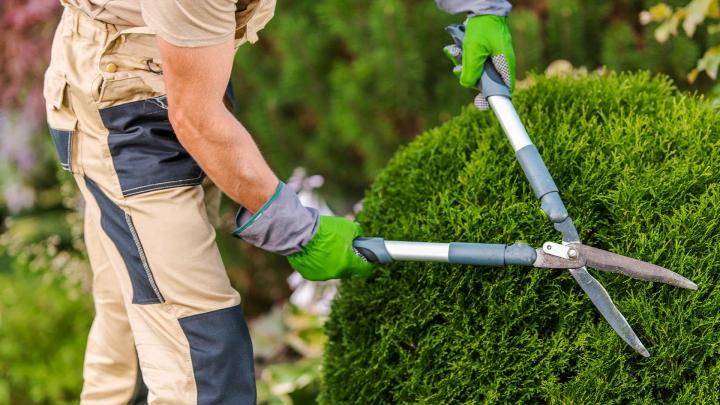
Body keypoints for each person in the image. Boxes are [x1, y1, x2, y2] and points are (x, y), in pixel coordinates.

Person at [43, 0, 515, 403]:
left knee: (135, 320)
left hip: (183, 66)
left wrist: (478, 10)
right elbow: (197, 117)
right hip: (122, 99)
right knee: (202, 356)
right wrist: (300, 233)